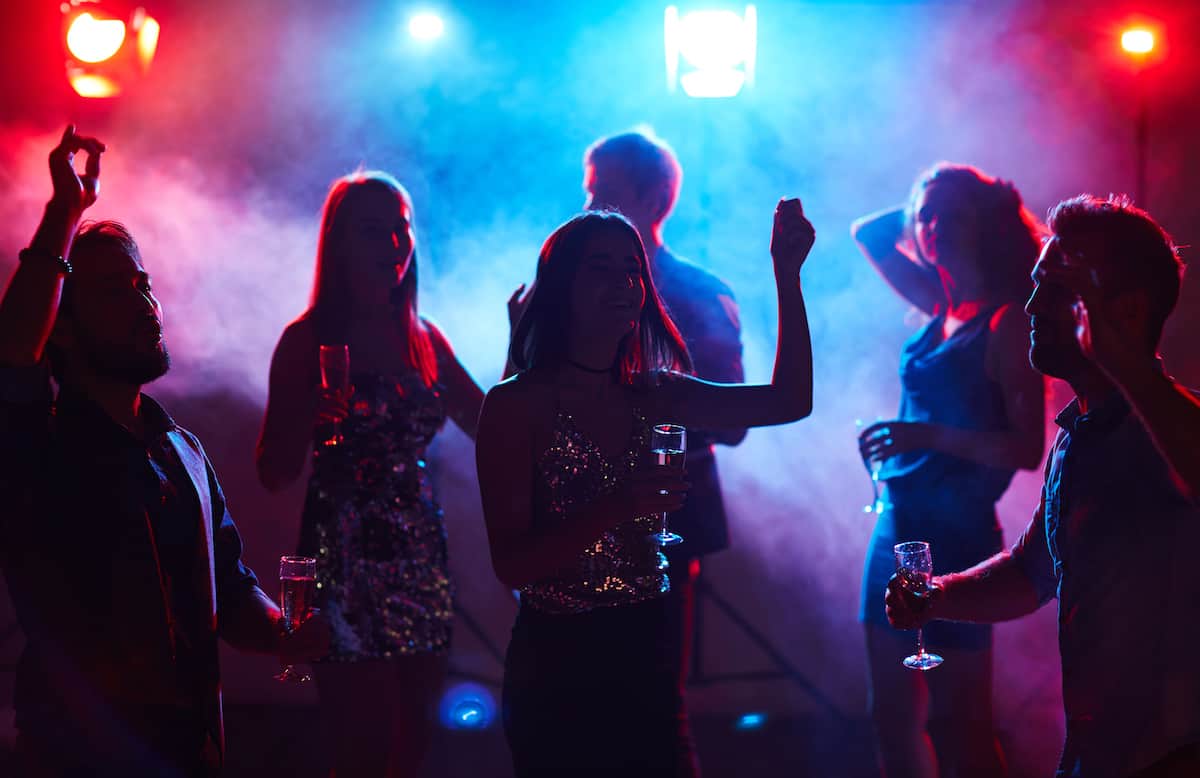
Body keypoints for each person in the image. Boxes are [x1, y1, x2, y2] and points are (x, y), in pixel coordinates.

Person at [0, 125, 329, 777]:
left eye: (143, 284)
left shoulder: (182, 450)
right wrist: (65, 213)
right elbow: (11, 357)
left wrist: (288, 634)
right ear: (60, 328)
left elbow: (231, 594)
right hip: (78, 751)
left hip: (192, 746)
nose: (146, 304)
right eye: (114, 291)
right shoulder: (41, 438)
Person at [478, 201, 814, 776]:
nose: (623, 282)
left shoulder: (657, 393)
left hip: (647, 647)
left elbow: (790, 401)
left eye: (632, 269)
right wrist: (619, 505)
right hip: (557, 663)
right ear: (561, 287)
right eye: (600, 268)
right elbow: (512, 565)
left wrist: (787, 272)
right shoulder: (515, 405)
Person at [886, 194, 1200, 778]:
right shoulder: (1080, 434)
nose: (1031, 304)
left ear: (1127, 313)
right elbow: (1032, 572)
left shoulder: (1172, 431)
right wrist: (938, 594)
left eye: (1057, 291)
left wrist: (1122, 361)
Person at [256, 170, 484, 776]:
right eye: (373, 230)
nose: (393, 244)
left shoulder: (424, 338)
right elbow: (273, 473)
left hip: (419, 558)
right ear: (339, 243)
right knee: (362, 750)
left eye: (400, 229)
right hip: (344, 562)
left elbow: (487, 425)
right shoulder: (306, 342)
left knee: (410, 749)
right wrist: (309, 414)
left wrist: (527, 353)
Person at [851, 163, 1047, 777]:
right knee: (890, 712)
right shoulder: (942, 304)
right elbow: (870, 231)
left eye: (947, 214)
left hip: (959, 534)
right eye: (924, 215)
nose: (930, 226)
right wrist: (930, 189)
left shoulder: (1006, 320)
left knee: (958, 721)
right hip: (896, 525)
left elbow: (1025, 449)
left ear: (983, 223)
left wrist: (924, 435)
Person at [581, 130, 747, 695]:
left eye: (603, 193)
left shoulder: (698, 293)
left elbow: (734, 423)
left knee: (652, 694)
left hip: (667, 511)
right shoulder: (573, 290)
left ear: (654, 200)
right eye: (589, 193)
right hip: (586, 509)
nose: (588, 208)